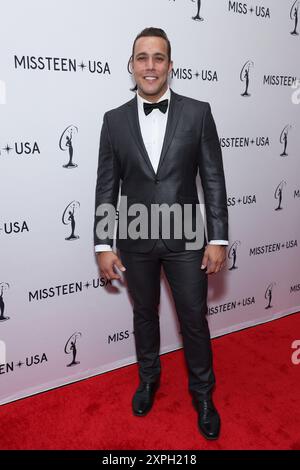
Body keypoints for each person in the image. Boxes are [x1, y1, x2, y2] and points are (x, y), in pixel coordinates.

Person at [94, 27, 228, 440]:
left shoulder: (198, 112)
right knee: (144, 316)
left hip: (187, 236)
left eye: (158, 57)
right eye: (142, 58)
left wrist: (218, 238)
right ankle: (149, 380)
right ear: (131, 66)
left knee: (194, 319)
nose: (149, 66)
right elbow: (106, 185)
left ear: (171, 65)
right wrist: (102, 243)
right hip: (134, 237)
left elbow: (213, 179)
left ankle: (203, 395)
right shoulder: (113, 120)